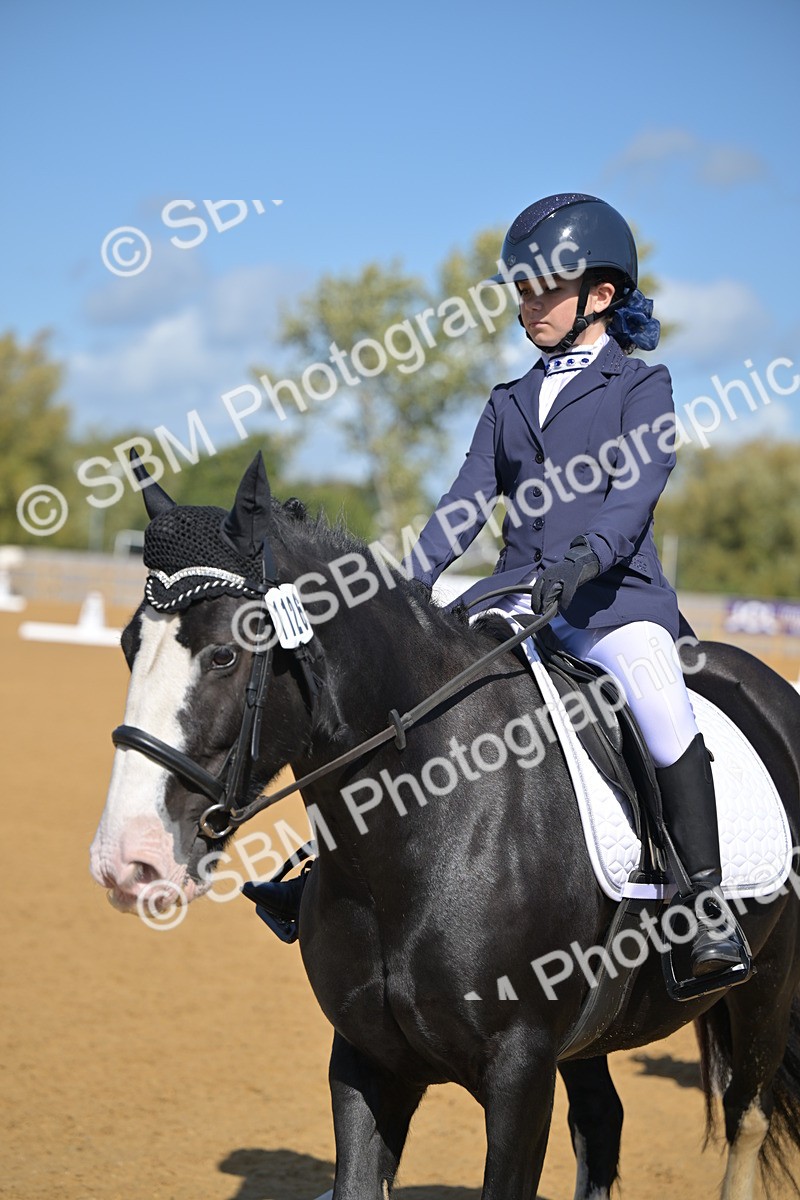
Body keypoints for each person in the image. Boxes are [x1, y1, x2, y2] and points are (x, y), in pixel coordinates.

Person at [406, 193, 748, 982]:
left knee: (663, 714)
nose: (529, 305)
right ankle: (320, 874)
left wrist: (584, 560)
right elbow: (462, 503)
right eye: (521, 289)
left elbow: (633, 496)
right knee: (405, 691)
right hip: (513, 598)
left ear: (600, 295)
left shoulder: (642, 387)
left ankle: (706, 911)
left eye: (544, 288)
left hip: (609, 601)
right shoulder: (507, 403)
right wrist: (404, 585)